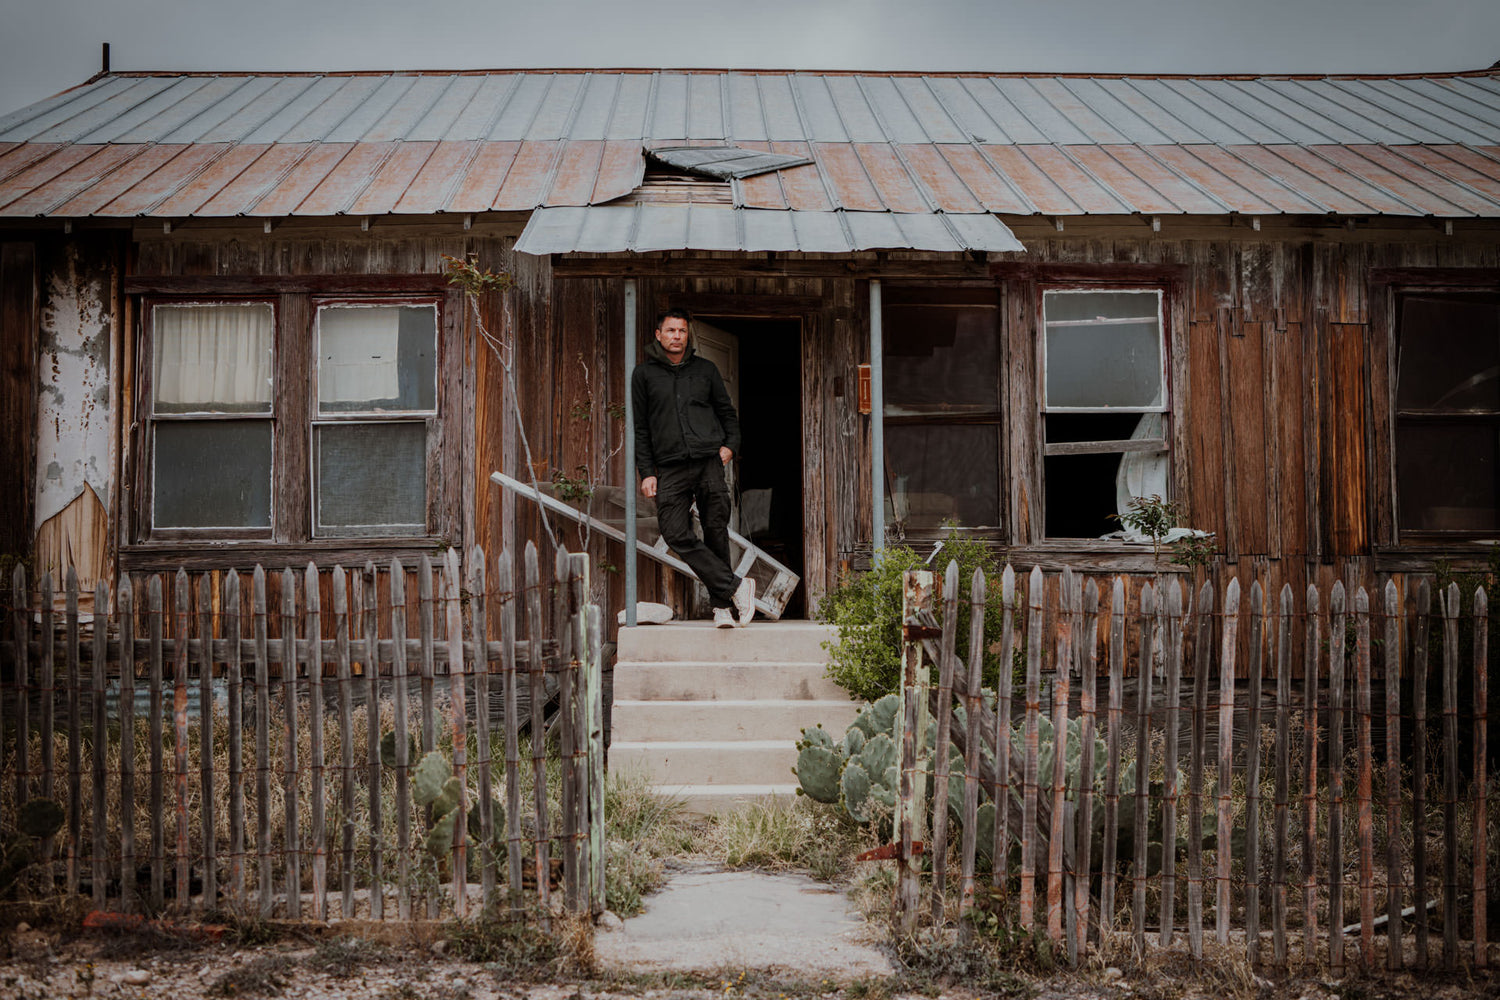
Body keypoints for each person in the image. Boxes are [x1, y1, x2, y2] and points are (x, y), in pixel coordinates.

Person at [633, 308, 755, 628]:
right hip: (670, 467)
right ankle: (735, 586)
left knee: (715, 530)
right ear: (658, 335)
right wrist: (646, 471)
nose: (677, 336)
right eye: (671, 331)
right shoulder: (644, 375)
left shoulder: (706, 370)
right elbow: (641, 428)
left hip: (707, 462)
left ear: (688, 335)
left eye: (682, 331)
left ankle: (722, 609)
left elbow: (727, 412)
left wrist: (730, 445)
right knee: (674, 532)